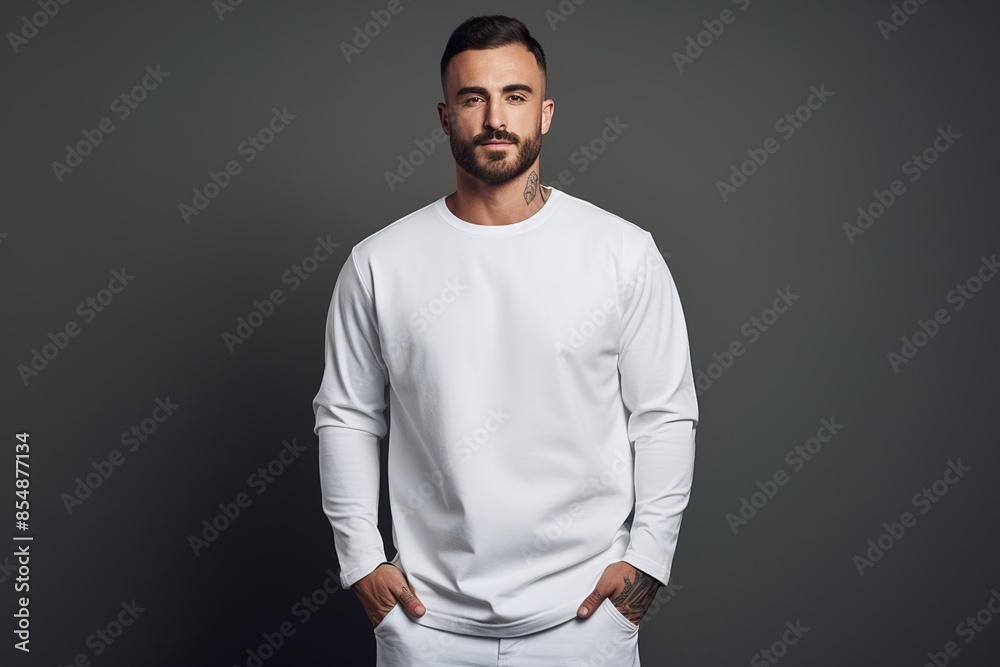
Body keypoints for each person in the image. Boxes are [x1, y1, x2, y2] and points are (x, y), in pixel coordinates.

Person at [313, 14, 698, 666]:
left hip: (584, 624)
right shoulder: (380, 263)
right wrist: (361, 564)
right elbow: (346, 416)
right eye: (474, 98)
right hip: (427, 627)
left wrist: (646, 566)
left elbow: (664, 415)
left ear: (545, 113)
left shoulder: (622, 254)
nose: (496, 118)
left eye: (515, 96)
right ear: (445, 117)